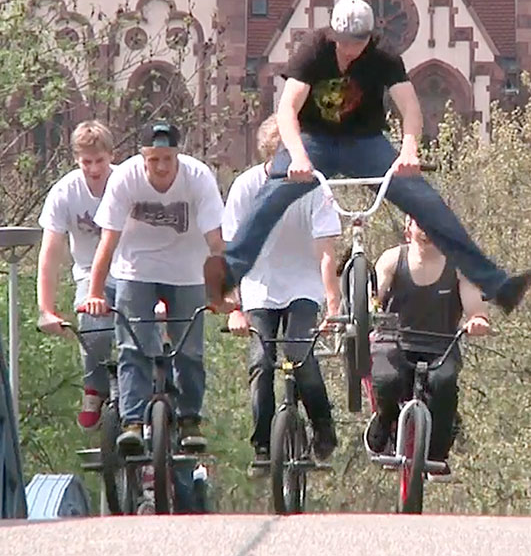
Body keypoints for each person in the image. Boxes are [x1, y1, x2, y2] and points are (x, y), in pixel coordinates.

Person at [202, 0, 531, 316]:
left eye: (357, 42)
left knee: (426, 203)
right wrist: (299, 157)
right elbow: (287, 109)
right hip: (313, 140)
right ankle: (228, 274)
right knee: (272, 195)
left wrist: (408, 151)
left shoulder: (384, 58)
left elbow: (410, 109)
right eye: (343, 41)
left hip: (365, 143)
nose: (349, 49)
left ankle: (496, 285)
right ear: (332, 35)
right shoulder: (314, 49)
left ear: (369, 38)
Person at [78, 122, 224, 455]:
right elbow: (108, 241)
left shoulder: (198, 178)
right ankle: (131, 421)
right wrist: (95, 293)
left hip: (187, 270)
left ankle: (190, 419)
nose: (160, 167)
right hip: (136, 269)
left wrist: (225, 294)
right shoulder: (126, 178)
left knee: (189, 351)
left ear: (178, 156)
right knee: (133, 347)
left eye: (167, 159)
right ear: (143, 157)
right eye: (153, 159)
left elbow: (216, 242)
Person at [223, 114, 342, 474]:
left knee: (300, 354)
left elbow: (325, 252)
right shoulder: (246, 188)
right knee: (261, 362)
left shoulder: (316, 189)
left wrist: (333, 303)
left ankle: (323, 427)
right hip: (259, 286)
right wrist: (234, 307)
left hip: (303, 286)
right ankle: (262, 446)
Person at [365, 215, 493, 479]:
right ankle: (384, 421)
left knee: (444, 384)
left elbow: (474, 307)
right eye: (420, 223)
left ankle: (437, 454)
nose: (427, 231)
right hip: (393, 343)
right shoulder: (392, 260)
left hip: (441, 346)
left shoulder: (458, 267)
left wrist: (478, 320)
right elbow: (371, 299)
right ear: (408, 228)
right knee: (388, 381)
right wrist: (369, 310)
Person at [36, 120, 119, 430]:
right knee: (93, 328)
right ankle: (94, 389)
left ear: (111, 156)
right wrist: (46, 310)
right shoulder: (65, 192)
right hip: (88, 274)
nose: (94, 169)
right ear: (76, 159)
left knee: (145, 331)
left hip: (130, 270)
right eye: (87, 162)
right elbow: (51, 251)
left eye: (100, 161)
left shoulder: (126, 182)